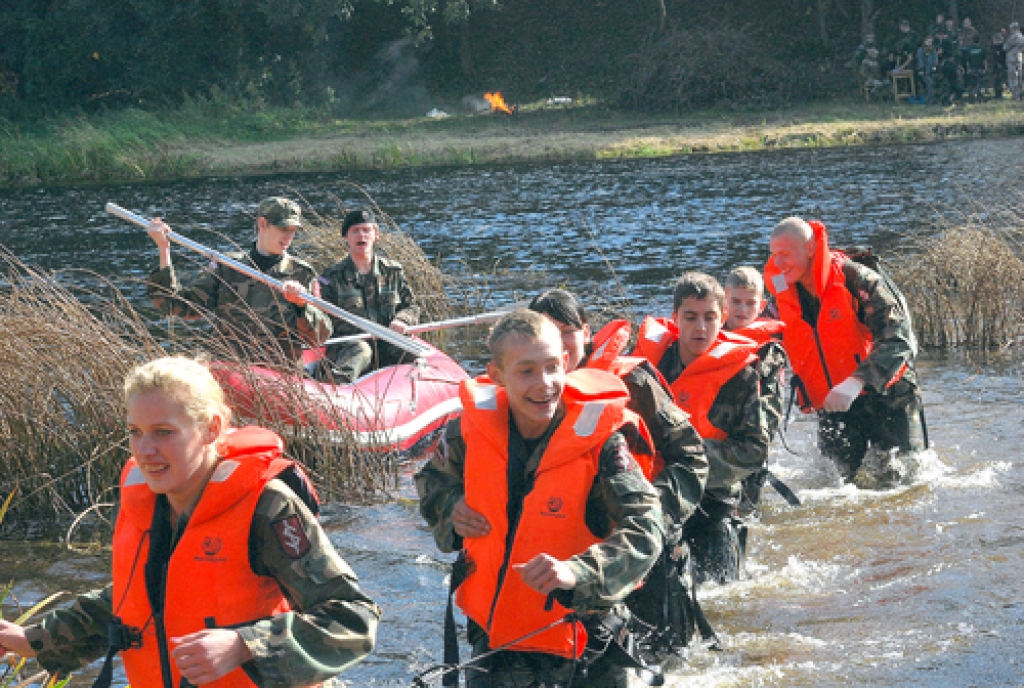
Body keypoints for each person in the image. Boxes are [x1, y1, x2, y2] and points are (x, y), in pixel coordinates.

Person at [0, 356, 380, 687]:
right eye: (135, 433)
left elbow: (354, 618)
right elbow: (133, 603)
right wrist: (32, 639)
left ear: (211, 429)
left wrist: (243, 645)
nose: (146, 451)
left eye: (164, 433)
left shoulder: (267, 507)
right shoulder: (149, 501)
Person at [415, 310, 663, 687]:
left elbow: (647, 527)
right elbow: (431, 482)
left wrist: (578, 571)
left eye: (551, 367)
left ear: (566, 363)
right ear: (497, 376)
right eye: (526, 371)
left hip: (584, 641)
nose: (544, 383)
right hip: (496, 641)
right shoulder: (467, 431)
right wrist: (451, 509)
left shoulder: (602, 442)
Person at [526, 289, 709, 652]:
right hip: (568, 564)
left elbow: (692, 457)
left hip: (640, 552)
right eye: (547, 332)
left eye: (567, 331)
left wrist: (651, 517)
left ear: (586, 331)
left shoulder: (635, 383)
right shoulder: (524, 395)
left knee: (658, 661)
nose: (559, 344)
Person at [764, 218, 925, 486]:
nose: (778, 263)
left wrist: (856, 381)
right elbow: (755, 338)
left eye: (786, 255)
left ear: (809, 248)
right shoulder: (780, 298)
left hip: (887, 397)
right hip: (835, 405)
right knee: (837, 486)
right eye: (774, 255)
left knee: (907, 482)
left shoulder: (857, 280)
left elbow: (899, 338)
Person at [633, 273, 769, 584]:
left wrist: (690, 456)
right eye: (690, 317)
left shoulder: (741, 377)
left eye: (710, 317)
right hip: (658, 499)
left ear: (723, 318)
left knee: (723, 595)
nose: (701, 328)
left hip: (713, 501)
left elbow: (755, 449)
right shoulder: (646, 371)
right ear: (675, 317)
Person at [147, 197, 332, 365]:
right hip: (231, 371)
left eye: (293, 231)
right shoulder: (226, 266)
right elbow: (175, 305)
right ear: (262, 223)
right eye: (283, 229)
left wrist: (301, 306)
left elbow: (319, 337)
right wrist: (164, 249)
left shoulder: (302, 273)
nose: (288, 237)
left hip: (281, 376)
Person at [314, 208, 420, 383]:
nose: (361, 235)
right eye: (355, 231)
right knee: (362, 350)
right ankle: (335, 391)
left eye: (366, 230)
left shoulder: (393, 271)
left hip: (386, 342)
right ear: (346, 237)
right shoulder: (331, 277)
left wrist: (402, 320)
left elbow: (411, 306)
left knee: (415, 353)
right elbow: (322, 319)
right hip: (349, 347)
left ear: (376, 234)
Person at [722, 267, 789, 515]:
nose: (742, 310)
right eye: (735, 302)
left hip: (749, 446)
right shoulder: (708, 336)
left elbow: (772, 410)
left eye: (750, 303)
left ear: (761, 306)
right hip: (712, 441)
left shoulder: (769, 353)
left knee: (746, 516)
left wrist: (751, 449)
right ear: (724, 301)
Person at [963, 34, 989, 102]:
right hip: (980, 68)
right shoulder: (982, 49)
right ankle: (980, 96)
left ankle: (971, 97)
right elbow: (985, 60)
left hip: (972, 68)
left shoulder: (969, 49)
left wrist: (968, 69)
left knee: (972, 83)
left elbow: (967, 61)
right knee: (980, 83)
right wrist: (986, 69)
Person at [918, 35, 940, 103]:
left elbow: (935, 60)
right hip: (924, 71)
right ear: (924, 42)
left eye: (931, 42)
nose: (929, 43)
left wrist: (934, 67)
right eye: (928, 41)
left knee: (935, 82)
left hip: (932, 71)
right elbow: (920, 60)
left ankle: (936, 98)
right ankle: (930, 99)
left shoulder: (933, 50)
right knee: (929, 82)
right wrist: (921, 69)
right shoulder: (921, 50)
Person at [1005, 22, 1024, 100]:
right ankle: (1021, 92)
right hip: (1019, 58)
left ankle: (1015, 94)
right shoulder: (1022, 37)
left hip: (1012, 59)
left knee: (1013, 77)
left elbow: (1005, 47)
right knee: (1019, 76)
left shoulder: (1014, 37)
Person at [991, 29, 1008, 99]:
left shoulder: (1002, 47)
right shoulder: (993, 47)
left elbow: (1003, 56)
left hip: (1001, 65)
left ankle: (1001, 93)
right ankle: (997, 93)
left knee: (1001, 80)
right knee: (996, 80)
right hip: (995, 66)